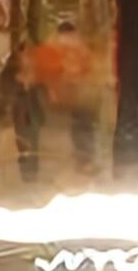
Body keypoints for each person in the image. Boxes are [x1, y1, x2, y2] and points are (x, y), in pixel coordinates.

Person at [20, 19, 110, 180]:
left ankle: (80, 160)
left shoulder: (50, 47)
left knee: (79, 126)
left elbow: (37, 72)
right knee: (83, 125)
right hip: (73, 96)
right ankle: (84, 160)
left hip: (55, 97)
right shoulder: (78, 47)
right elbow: (88, 67)